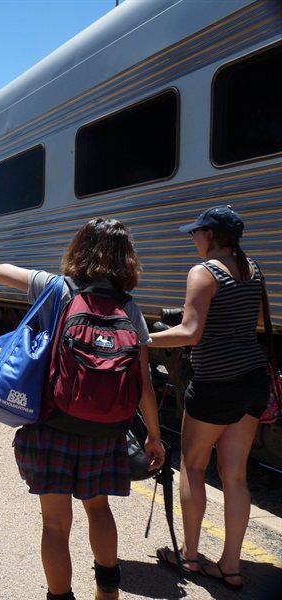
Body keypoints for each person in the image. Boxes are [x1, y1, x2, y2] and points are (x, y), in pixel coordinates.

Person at [0, 218, 165, 600]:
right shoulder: (128, 307)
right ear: (127, 260)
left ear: (79, 249)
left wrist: (46, 279)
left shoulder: (57, 288)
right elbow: (143, 381)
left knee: (55, 524)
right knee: (99, 510)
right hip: (106, 430)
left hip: (54, 422)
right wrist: (153, 435)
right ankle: (108, 592)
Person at [150, 206, 266, 592]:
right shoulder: (254, 268)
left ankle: (192, 555)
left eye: (196, 233)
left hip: (216, 383)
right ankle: (231, 566)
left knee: (194, 467)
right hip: (252, 379)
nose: (193, 239)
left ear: (212, 236)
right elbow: (251, 324)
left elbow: (191, 332)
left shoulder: (203, 272)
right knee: (235, 474)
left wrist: (142, 339)